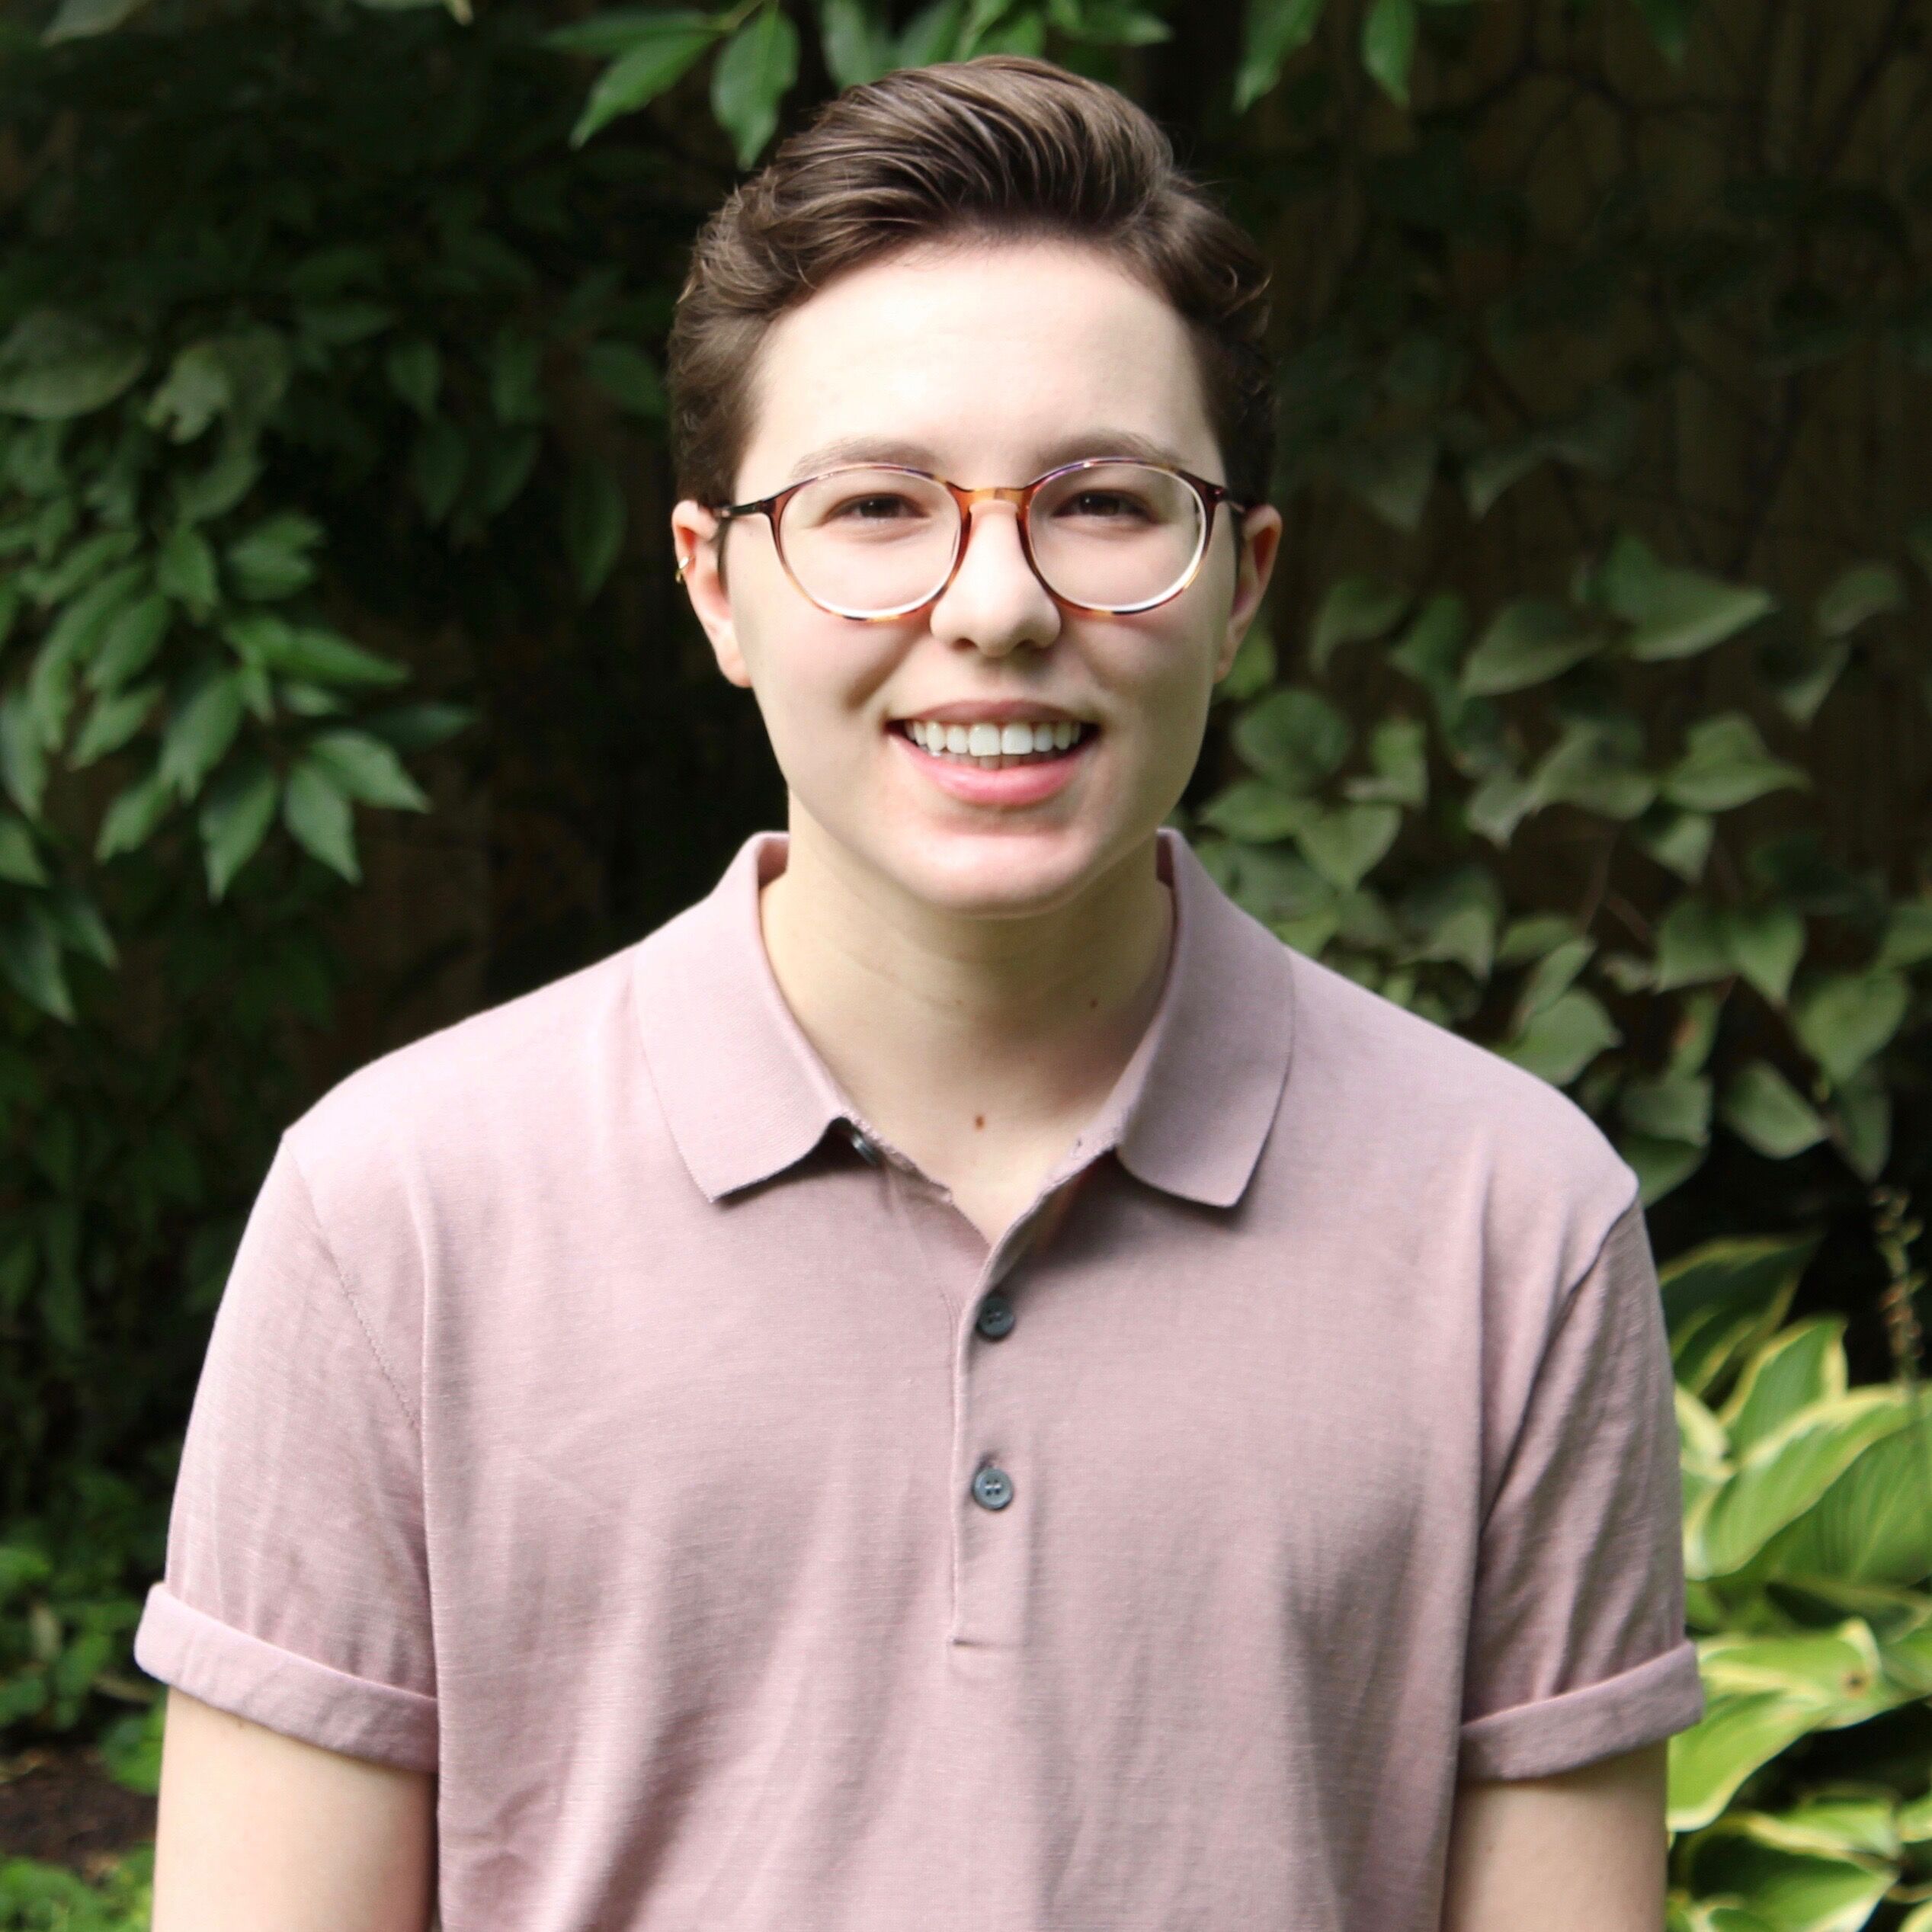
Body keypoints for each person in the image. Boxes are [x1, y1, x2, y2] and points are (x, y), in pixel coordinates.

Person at [136, 52, 1704, 1932]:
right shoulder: (395, 1210)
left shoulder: (1507, 1219)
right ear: (717, 587)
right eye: (876, 505)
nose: (995, 602)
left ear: (1240, 582)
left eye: (1104, 501)